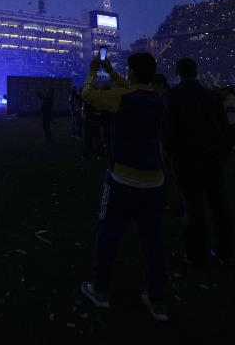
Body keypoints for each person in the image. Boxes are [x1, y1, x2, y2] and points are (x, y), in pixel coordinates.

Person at [79, 53, 169, 322]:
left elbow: (87, 93)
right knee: (153, 242)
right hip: (155, 181)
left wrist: (94, 71)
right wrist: (112, 70)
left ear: (130, 71)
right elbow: (133, 88)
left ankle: (101, 289)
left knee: (108, 233)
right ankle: (157, 301)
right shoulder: (158, 99)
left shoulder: (122, 98)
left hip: (122, 180)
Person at [162, 58, 234, 268]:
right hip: (213, 159)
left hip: (186, 160)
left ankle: (196, 254)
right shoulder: (211, 96)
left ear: (177, 72)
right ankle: (225, 250)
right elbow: (224, 128)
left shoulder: (173, 96)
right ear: (195, 71)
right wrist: (222, 153)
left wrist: (172, 155)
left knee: (193, 207)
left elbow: (168, 131)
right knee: (219, 205)